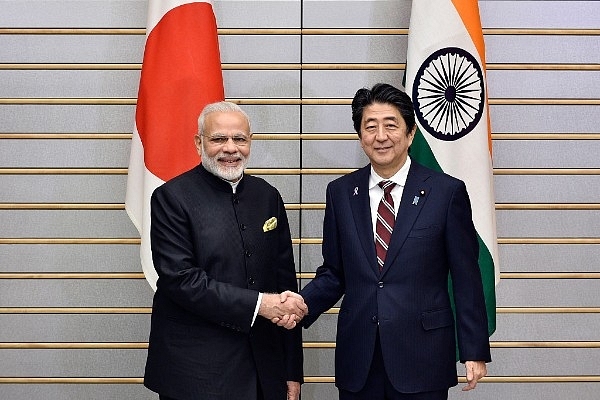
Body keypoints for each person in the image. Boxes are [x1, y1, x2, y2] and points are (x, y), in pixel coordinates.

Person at [284, 83, 491, 399]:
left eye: (391, 125)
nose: (381, 136)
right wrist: (300, 305)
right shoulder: (341, 193)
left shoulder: (446, 192)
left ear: (410, 134)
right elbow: (334, 273)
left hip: (423, 355)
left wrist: (473, 348)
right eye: (370, 127)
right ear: (361, 137)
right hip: (360, 356)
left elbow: (465, 274)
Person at [144, 101, 307, 400]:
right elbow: (181, 281)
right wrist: (261, 305)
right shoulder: (170, 198)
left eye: (239, 139)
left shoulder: (267, 196)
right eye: (219, 138)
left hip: (264, 371)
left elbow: (285, 284)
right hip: (195, 375)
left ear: (250, 143)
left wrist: (291, 370)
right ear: (199, 143)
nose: (230, 148)